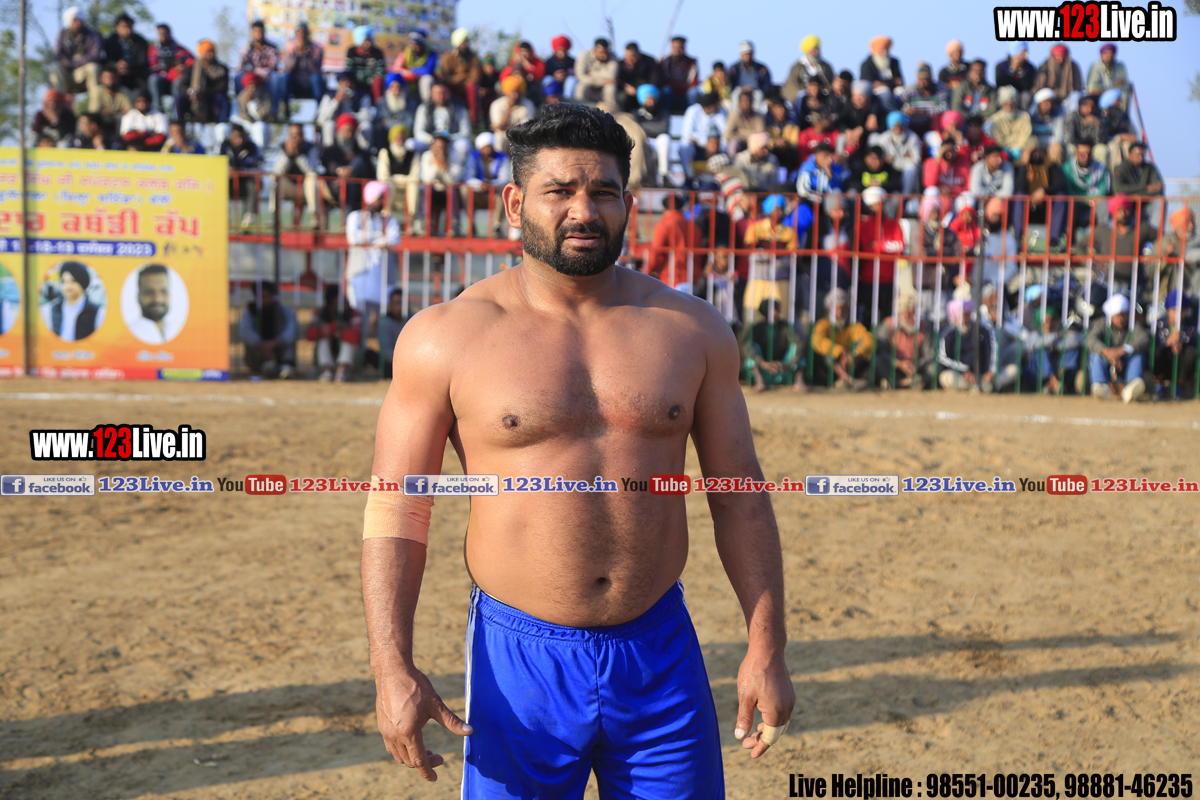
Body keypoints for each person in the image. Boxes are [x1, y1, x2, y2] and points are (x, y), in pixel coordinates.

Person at [362, 102, 793, 796]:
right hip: (518, 662)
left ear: (629, 205)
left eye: (604, 191)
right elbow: (397, 511)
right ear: (515, 204)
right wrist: (391, 667)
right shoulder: (447, 338)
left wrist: (766, 644)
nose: (583, 211)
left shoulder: (692, 331)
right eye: (559, 190)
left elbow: (739, 496)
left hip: (660, 655)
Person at [346, 181, 401, 332]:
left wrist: (371, 240)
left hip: (383, 278)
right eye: (379, 198)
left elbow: (394, 239)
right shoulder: (355, 217)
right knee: (359, 322)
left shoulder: (390, 220)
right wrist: (379, 238)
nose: (383, 201)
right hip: (360, 276)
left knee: (383, 322)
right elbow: (354, 238)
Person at [853, 186, 906, 321]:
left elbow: (900, 246)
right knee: (865, 319)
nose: (878, 207)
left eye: (881, 203)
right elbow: (866, 249)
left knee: (888, 321)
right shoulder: (863, 225)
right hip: (867, 280)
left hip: (889, 280)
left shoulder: (895, 225)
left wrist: (878, 245)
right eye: (874, 204)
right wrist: (888, 245)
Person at [1086, 293, 1148, 401]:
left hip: (1125, 363)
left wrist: (1122, 350)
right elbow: (1090, 339)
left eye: (1124, 315)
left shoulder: (1133, 325)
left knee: (1138, 355)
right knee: (1095, 354)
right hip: (1107, 362)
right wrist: (1106, 351)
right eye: (1117, 316)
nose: (1121, 319)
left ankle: (1132, 385)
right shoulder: (1102, 323)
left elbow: (1144, 339)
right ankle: (1100, 385)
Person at [811, 288, 873, 388]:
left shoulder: (852, 324)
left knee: (864, 349)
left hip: (850, 361)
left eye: (843, 308)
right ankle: (848, 380)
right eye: (836, 308)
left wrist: (856, 353)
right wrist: (840, 352)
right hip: (828, 368)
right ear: (829, 309)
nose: (840, 311)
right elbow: (817, 341)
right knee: (827, 355)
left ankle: (849, 379)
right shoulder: (823, 324)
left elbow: (869, 339)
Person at [1090, 195, 1157, 286]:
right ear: (1113, 211)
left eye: (1125, 210)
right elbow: (1080, 246)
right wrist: (1094, 263)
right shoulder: (1102, 230)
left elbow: (1161, 237)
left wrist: (1156, 253)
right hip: (1108, 284)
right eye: (1118, 210)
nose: (1122, 214)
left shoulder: (1142, 228)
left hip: (1136, 284)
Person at [744, 299, 804, 392]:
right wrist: (762, 363)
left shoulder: (785, 326)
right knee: (751, 349)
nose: (775, 312)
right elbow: (746, 345)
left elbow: (800, 343)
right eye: (771, 309)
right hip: (763, 369)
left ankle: (799, 381)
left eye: (776, 309)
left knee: (796, 348)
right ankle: (759, 382)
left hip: (783, 369)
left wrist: (789, 363)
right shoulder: (757, 328)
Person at [239, 281, 296, 378]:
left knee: (289, 342)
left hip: (280, 348)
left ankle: (286, 367)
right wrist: (262, 345)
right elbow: (244, 331)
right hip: (259, 351)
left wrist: (276, 342)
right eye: (263, 297)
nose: (266, 300)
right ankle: (266, 366)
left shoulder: (284, 311)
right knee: (250, 344)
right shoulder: (251, 311)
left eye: (269, 296)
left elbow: (292, 331)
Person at [938, 298, 997, 391]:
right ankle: (977, 387)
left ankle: (983, 386)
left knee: (1012, 370)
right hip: (962, 376)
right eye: (960, 316)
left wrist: (990, 372)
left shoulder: (983, 331)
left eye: (966, 315)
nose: (964, 319)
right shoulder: (948, 335)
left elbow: (993, 351)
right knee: (946, 377)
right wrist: (964, 370)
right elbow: (943, 358)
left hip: (983, 375)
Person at [876, 293, 934, 389]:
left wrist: (917, 364)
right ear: (900, 313)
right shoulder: (888, 325)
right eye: (909, 314)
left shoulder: (925, 326)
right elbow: (881, 351)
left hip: (916, 369)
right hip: (894, 367)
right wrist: (899, 364)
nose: (914, 317)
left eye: (916, 313)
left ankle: (907, 382)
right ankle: (899, 382)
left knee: (935, 366)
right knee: (877, 361)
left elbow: (929, 354)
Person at [307, 284, 363, 382]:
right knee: (323, 340)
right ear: (330, 304)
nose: (343, 304)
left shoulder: (354, 313)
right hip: (329, 357)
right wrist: (332, 327)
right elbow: (310, 334)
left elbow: (356, 337)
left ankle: (343, 370)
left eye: (344, 301)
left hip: (351, 360)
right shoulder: (320, 313)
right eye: (338, 302)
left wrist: (340, 331)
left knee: (348, 342)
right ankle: (326, 370)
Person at [51, 7, 103, 111]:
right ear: (69, 22)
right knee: (55, 67)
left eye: (80, 20)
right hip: (67, 73)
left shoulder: (94, 35)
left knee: (94, 67)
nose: (78, 23)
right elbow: (57, 54)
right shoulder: (62, 34)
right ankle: (61, 109)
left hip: (84, 72)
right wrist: (65, 62)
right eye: (75, 20)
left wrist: (73, 63)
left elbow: (95, 55)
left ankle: (94, 112)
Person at [271, 22, 324, 120]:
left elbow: (316, 69)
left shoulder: (317, 48)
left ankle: (320, 111)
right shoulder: (289, 47)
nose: (301, 35)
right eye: (299, 32)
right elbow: (288, 68)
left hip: (310, 84)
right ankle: (286, 108)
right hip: (295, 84)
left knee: (317, 78)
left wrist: (307, 55)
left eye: (304, 33)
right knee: (285, 77)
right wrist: (296, 55)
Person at [320, 114, 373, 210]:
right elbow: (328, 165)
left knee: (359, 161)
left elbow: (368, 170)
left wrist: (349, 171)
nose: (348, 134)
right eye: (346, 131)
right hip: (335, 188)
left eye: (351, 131)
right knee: (346, 185)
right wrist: (339, 170)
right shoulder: (330, 150)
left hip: (357, 187)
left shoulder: (360, 152)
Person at [1151, 290, 1198, 399]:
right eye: (1174, 310)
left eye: (1182, 310)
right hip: (1165, 364)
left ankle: (1179, 385)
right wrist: (1167, 343)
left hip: (1181, 366)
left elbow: (1195, 346)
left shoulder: (1192, 327)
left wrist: (1182, 346)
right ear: (1168, 310)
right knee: (1156, 353)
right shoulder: (1158, 325)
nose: (1178, 314)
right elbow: (1153, 346)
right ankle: (1158, 384)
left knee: (1190, 354)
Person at [412, 82, 472, 166]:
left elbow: (466, 132)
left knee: (464, 145)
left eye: (444, 93)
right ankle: (417, 171)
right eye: (437, 93)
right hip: (430, 141)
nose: (441, 96)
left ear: (449, 93)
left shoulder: (459, 108)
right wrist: (434, 140)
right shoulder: (424, 108)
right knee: (411, 144)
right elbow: (418, 132)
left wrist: (447, 139)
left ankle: (458, 170)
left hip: (451, 141)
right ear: (431, 94)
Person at [42, 261, 104, 341]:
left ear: (82, 283)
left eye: (73, 281)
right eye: (64, 281)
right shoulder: (51, 309)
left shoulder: (98, 312)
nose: (68, 286)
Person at [645, 194, 697, 285]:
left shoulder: (664, 226)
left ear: (664, 209)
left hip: (671, 278)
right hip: (694, 277)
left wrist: (644, 275)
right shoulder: (695, 227)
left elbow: (654, 254)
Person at [869, 111, 922, 199]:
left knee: (910, 170)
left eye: (900, 125)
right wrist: (905, 158)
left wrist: (895, 160)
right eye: (895, 126)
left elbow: (916, 161)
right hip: (889, 169)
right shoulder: (884, 138)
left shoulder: (913, 137)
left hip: (904, 169)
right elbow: (883, 158)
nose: (898, 129)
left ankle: (905, 197)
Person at [127, 264, 182, 344]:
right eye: (149, 292)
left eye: (163, 291)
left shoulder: (178, 331)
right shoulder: (127, 335)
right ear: (138, 297)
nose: (158, 299)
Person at [679, 93, 727, 186]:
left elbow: (725, 135)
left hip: (716, 147)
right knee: (684, 145)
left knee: (728, 145)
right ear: (707, 107)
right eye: (715, 104)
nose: (718, 106)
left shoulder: (721, 111)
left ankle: (720, 178)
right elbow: (687, 135)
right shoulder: (693, 111)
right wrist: (706, 142)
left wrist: (712, 144)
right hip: (697, 148)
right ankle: (689, 177)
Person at [237, 20, 280, 122]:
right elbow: (241, 66)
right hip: (251, 77)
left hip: (267, 77)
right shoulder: (248, 47)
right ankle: (242, 110)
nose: (258, 34)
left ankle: (274, 112)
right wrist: (252, 75)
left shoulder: (272, 47)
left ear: (264, 32)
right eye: (256, 31)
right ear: (252, 33)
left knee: (276, 78)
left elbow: (274, 66)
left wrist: (262, 74)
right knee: (237, 77)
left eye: (260, 31)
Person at [221, 123, 263, 226]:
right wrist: (226, 170)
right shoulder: (223, 146)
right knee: (219, 183)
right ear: (230, 136)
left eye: (241, 137)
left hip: (246, 183)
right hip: (229, 183)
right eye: (236, 136)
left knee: (255, 183)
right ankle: (224, 215)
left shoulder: (252, 147)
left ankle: (250, 217)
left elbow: (259, 166)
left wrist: (240, 171)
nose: (239, 140)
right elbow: (215, 164)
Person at [147, 23, 193, 116]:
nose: (162, 36)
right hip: (161, 80)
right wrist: (167, 73)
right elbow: (153, 67)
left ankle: (175, 113)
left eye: (165, 33)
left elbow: (192, 63)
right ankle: (157, 111)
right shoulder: (153, 50)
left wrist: (183, 69)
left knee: (179, 81)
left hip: (176, 79)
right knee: (153, 79)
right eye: (160, 34)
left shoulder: (180, 50)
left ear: (170, 34)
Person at [437, 28, 482, 121]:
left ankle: (474, 120)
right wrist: (463, 76)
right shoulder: (447, 57)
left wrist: (458, 78)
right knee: (443, 89)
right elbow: (447, 77)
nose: (465, 44)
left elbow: (475, 78)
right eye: (463, 42)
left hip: (466, 88)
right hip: (452, 88)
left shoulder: (474, 58)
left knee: (472, 87)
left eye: (466, 42)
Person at [1062, 140, 1109, 229]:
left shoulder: (1100, 168)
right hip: (1076, 205)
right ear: (1076, 154)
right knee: (1070, 204)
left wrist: (1089, 200)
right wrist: (1087, 200)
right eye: (1082, 154)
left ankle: (1102, 234)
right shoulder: (1067, 168)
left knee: (1104, 203)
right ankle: (1069, 236)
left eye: (1089, 154)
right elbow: (1069, 192)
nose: (1086, 157)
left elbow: (1102, 192)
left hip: (1094, 206)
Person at [896, 62, 949, 138]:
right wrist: (905, 111)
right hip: (913, 122)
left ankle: (939, 138)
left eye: (925, 80)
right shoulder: (911, 89)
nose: (922, 83)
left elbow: (945, 108)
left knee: (938, 117)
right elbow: (895, 103)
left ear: (930, 79)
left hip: (931, 122)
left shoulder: (940, 89)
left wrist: (923, 111)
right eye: (920, 80)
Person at [103, 12, 150, 99]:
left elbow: (143, 61)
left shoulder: (141, 42)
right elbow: (108, 60)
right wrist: (117, 65)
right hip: (116, 73)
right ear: (117, 27)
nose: (128, 30)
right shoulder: (111, 41)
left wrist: (128, 65)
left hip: (136, 74)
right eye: (124, 27)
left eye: (130, 27)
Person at [183, 40, 229, 123]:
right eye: (208, 52)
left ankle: (220, 122)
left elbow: (222, 88)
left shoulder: (222, 69)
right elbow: (182, 86)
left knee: (220, 98)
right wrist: (191, 92)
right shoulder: (193, 68)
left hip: (212, 100)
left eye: (212, 52)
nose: (211, 54)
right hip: (195, 100)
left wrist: (203, 92)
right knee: (179, 98)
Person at [634, 85, 671, 184]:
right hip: (645, 140)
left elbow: (664, 129)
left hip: (658, 140)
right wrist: (653, 127)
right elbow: (637, 130)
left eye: (653, 98)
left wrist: (645, 127)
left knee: (664, 139)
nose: (651, 102)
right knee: (640, 142)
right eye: (648, 98)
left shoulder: (663, 113)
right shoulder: (636, 114)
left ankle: (664, 176)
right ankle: (645, 177)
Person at [490, 75, 537, 153]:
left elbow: (525, 127)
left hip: (519, 135)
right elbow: (500, 126)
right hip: (503, 135)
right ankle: (501, 159)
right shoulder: (496, 104)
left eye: (518, 92)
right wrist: (509, 107)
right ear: (506, 93)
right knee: (498, 137)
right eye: (513, 92)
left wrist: (506, 127)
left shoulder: (528, 104)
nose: (516, 95)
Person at [988, 86, 1035, 163]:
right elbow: (997, 139)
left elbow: (1025, 136)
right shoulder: (995, 119)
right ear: (1002, 104)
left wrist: (1016, 146)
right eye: (1006, 104)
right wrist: (1010, 144)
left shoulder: (1024, 117)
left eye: (1011, 104)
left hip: (1020, 148)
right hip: (1003, 149)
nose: (1009, 107)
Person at [782, 35, 834, 103]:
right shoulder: (798, 67)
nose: (816, 52)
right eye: (813, 49)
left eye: (817, 49)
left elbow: (830, 84)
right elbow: (791, 86)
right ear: (808, 51)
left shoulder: (825, 67)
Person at [390, 29, 438, 102]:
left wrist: (412, 69)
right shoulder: (405, 52)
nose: (413, 47)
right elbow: (396, 69)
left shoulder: (431, 54)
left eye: (416, 44)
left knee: (427, 79)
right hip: (408, 82)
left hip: (421, 82)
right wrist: (410, 74)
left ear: (422, 45)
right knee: (394, 78)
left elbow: (428, 70)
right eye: (411, 44)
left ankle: (427, 103)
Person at [1064, 94, 1109, 167]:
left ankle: (1101, 173)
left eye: (1092, 107)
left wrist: (1097, 124)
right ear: (1081, 106)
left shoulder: (1098, 117)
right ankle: (1068, 173)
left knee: (1102, 149)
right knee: (1069, 149)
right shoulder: (1072, 117)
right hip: (1077, 146)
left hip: (1092, 147)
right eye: (1087, 106)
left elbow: (1100, 141)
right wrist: (1082, 148)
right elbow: (1069, 139)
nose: (1090, 109)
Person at [347, 26, 387, 106]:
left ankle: (378, 106)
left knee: (379, 80)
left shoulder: (377, 52)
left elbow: (380, 71)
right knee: (347, 80)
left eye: (370, 40)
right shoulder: (352, 51)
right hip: (356, 81)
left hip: (371, 82)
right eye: (365, 40)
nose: (368, 43)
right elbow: (349, 69)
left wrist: (370, 79)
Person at [615, 41, 659, 113]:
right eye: (627, 56)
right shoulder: (621, 64)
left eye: (632, 56)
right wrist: (625, 86)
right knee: (622, 97)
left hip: (646, 92)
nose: (629, 59)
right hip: (629, 95)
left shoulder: (649, 61)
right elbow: (618, 81)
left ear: (639, 54)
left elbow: (655, 80)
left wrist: (637, 89)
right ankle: (626, 115)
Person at [374, 75, 415, 149]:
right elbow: (380, 122)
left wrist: (389, 122)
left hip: (404, 133)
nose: (396, 90)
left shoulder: (411, 103)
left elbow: (410, 123)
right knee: (380, 131)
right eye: (392, 87)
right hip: (387, 133)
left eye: (398, 87)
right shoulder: (382, 103)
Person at [574, 37, 618, 106]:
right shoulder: (584, 55)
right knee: (581, 86)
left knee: (610, 88)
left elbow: (611, 76)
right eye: (601, 53)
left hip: (603, 89)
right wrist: (601, 82)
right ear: (594, 50)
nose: (604, 56)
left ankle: (610, 109)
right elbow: (580, 75)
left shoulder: (613, 57)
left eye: (606, 53)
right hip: (589, 85)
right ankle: (579, 109)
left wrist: (593, 74)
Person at [1028, 87, 1066, 165]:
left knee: (1057, 148)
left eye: (1051, 102)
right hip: (1036, 145)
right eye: (1046, 102)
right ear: (1039, 104)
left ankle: (1055, 171)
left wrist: (1042, 141)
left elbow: (1058, 137)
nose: (1049, 105)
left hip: (1052, 145)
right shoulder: (1031, 118)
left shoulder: (1057, 117)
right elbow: (1029, 137)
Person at [660, 35, 698, 112]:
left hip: (686, 93)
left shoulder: (692, 63)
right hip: (671, 93)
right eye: (674, 47)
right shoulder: (665, 62)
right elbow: (664, 81)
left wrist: (680, 86)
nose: (677, 51)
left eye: (680, 48)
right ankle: (664, 114)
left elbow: (693, 83)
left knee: (694, 92)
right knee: (665, 90)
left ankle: (693, 114)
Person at [1087, 44, 1130, 109]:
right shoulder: (1095, 67)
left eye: (1111, 54)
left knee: (1124, 94)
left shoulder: (1120, 66)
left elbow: (1123, 84)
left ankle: (1122, 113)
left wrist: (1110, 89)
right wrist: (1110, 88)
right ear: (1101, 55)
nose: (1109, 56)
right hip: (1100, 96)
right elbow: (1092, 88)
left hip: (1116, 95)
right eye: (1106, 53)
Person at [93, 67, 133, 134]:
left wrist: (111, 113)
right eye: (107, 77)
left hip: (120, 122)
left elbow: (129, 112)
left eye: (113, 78)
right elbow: (95, 111)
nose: (110, 80)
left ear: (117, 79)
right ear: (101, 79)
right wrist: (119, 111)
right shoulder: (97, 91)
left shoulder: (125, 92)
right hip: (102, 122)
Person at [994, 41, 1035, 108]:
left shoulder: (1029, 68)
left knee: (1026, 96)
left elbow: (1028, 87)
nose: (1026, 54)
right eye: (1023, 51)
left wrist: (1021, 72)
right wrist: (1011, 71)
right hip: (1007, 95)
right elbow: (1000, 84)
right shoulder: (1001, 66)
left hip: (1021, 98)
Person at [543, 35, 577, 104]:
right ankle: (549, 101)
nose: (562, 53)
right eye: (559, 50)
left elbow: (576, 74)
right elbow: (544, 74)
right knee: (547, 79)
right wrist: (554, 76)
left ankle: (568, 103)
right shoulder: (548, 62)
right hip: (554, 87)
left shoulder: (573, 62)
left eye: (564, 50)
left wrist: (566, 75)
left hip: (566, 88)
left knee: (571, 80)